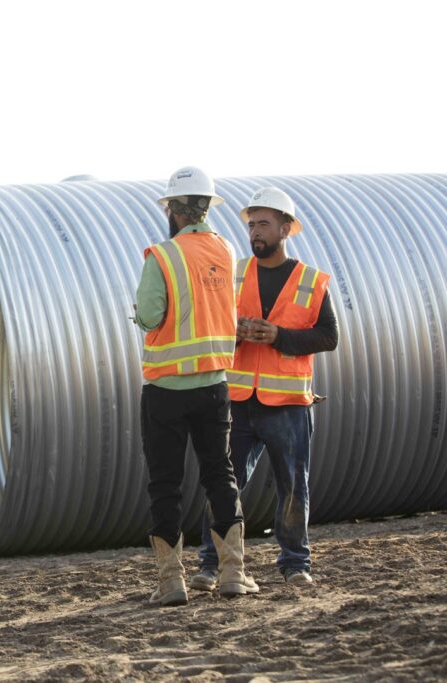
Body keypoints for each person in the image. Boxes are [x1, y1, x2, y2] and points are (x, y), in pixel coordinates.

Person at [190, 187, 339, 591]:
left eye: (264, 224)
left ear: (286, 228)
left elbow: (329, 337)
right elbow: (210, 327)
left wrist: (278, 336)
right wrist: (235, 335)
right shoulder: (233, 274)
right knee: (223, 485)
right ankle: (210, 563)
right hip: (237, 401)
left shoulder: (312, 281)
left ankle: (295, 563)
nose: (255, 232)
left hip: (288, 405)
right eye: (251, 224)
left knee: (293, 487)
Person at [135, 166, 259, 606]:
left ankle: (171, 583)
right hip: (214, 386)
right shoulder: (226, 250)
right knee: (220, 475)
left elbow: (149, 315)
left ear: (175, 209)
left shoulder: (162, 255)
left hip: (166, 389)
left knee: (165, 483)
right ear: (207, 208)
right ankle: (232, 574)